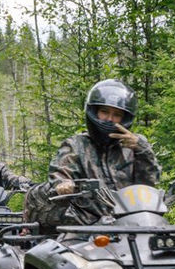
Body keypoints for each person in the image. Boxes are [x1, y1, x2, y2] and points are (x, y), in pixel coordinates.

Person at [24, 78, 161, 231]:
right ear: (94, 112)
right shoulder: (76, 144)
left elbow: (149, 186)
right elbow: (61, 173)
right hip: (87, 225)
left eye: (117, 115)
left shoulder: (134, 145)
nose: (109, 119)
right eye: (104, 112)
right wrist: (63, 184)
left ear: (125, 118)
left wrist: (143, 151)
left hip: (132, 222)